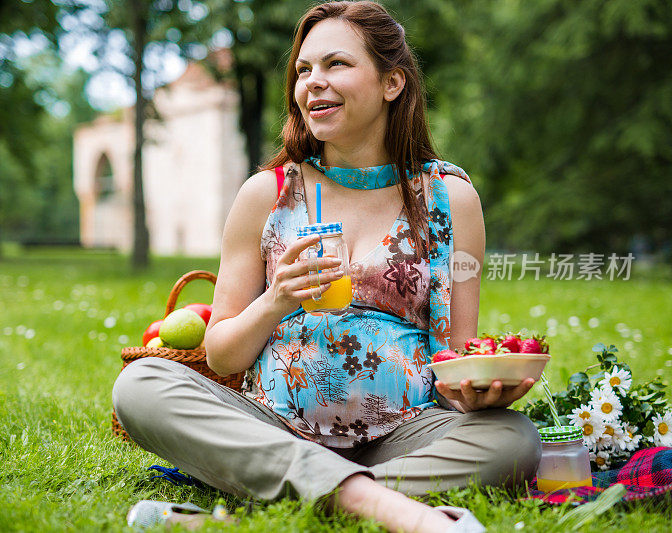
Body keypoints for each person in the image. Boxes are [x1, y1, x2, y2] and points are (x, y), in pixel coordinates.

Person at [113, 2, 541, 531]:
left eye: (336, 64)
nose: (313, 82)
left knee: (514, 438)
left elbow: (451, 356)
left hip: (402, 438)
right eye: (304, 70)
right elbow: (222, 358)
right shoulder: (265, 195)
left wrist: (477, 388)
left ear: (391, 83)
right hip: (275, 424)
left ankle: (267, 507)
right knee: (143, 384)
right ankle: (383, 507)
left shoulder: (450, 198)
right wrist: (277, 300)